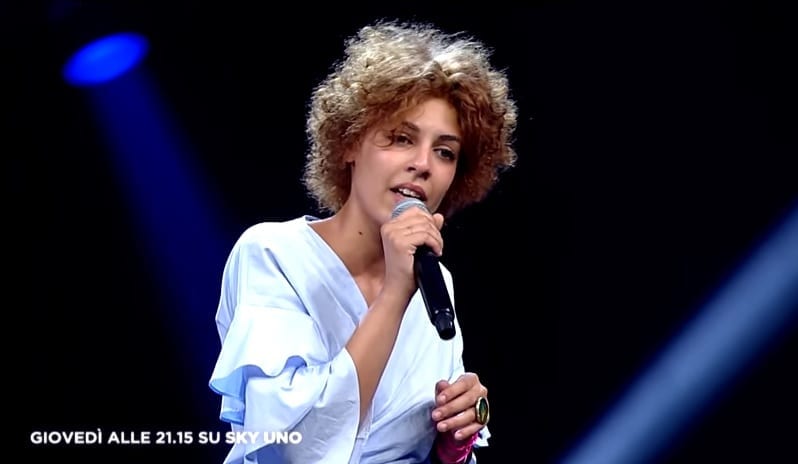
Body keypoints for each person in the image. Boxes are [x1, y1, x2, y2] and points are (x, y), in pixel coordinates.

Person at [209, 19, 518, 464]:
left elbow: (428, 451)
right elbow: (296, 447)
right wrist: (394, 293)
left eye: (445, 152)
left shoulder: (437, 283)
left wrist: (454, 443)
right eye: (402, 138)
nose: (423, 164)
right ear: (350, 142)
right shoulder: (273, 254)